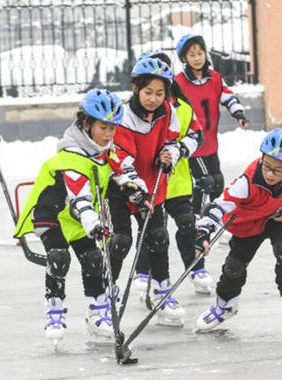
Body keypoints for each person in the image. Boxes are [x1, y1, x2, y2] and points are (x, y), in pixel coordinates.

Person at [14, 89, 134, 344]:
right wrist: (94, 225)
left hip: (77, 219)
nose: (109, 134)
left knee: (93, 259)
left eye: (113, 128)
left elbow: (121, 174)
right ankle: (54, 312)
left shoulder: (103, 153)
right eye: (103, 127)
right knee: (59, 258)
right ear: (86, 123)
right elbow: (80, 199)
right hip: (52, 216)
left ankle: (96, 313)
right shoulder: (71, 157)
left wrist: (136, 192)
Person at [194, 129, 282, 339]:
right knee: (234, 267)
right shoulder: (248, 181)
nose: (269, 174)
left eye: (277, 170)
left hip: (280, 216)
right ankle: (226, 305)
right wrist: (204, 230)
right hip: (249, 223)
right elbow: (220, 205)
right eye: (266, 166)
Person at [108, 57, 186, 326]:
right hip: (122, 187)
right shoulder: (123, 115)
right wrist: (136, 194)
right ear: (135, 88)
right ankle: (106, 293)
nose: (153, 99)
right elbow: (120, 159)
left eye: (160, 93)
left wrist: (169, 154)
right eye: (148, 92)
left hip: (153, 185)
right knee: (121, 241)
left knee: (157, 237)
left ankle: (162, 289)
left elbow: (173, 141)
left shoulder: (168, 112)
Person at [131, 50, 213, 296]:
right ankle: (143, 271)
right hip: (148, 181)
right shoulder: (133, 112)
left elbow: (195, 136)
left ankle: (196, 267)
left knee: (188, 222)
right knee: (152, 229)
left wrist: (182, 153)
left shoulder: (183, 108)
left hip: (177, 180)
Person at [175, 34, 250, 216]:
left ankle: (216, 217)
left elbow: (228, 97)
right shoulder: (179, 82)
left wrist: (239, 115)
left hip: (210, 142)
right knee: (204, 181)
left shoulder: (215, 78)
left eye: (200, 53)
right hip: (193, 142)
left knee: (217, 181)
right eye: (192, 55)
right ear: (184, 58)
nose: (197, 58)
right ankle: (194, 218)